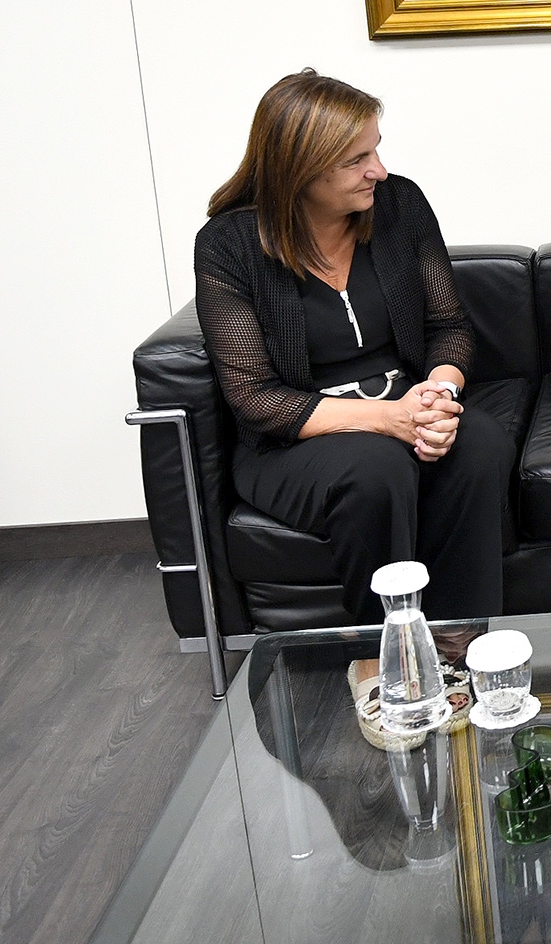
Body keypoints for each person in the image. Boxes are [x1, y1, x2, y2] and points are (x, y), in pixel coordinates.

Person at [194, 71, 510, 625]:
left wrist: (437, 394)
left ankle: (460, 642)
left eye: (377, 150)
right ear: (300, 167)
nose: (378, 171)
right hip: (296, 439)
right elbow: (254, 398)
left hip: (406, 403)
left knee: (478, 439)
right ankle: (382, 656)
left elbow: (449, 326)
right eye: (355, 159)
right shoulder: (230, 245)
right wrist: (389, 420)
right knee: (374, 467)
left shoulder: (399, 206)